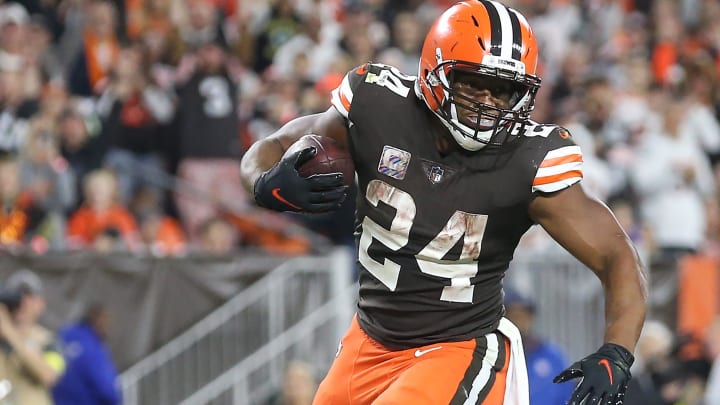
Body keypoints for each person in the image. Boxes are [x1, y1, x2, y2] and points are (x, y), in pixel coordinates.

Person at [240, 1, 647, 404]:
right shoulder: (378, 106)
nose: (489, 103)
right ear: (434, 69)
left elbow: (617, 255)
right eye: (474, 82)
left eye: (504, 90)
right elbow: (273, 145)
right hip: (369, 339)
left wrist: (617, 351)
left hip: (458, 349)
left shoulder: (529, 159)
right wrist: (264, 182)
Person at [0, 270, 65, 405]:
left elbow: (49, 375)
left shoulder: (48, 340)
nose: (22, 302)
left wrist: (11, 333)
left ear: (41, 303)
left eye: (28, 296)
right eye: (17, 295)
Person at [503, 289, 573, 405]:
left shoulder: (552, 357)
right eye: (514, 315)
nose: (519, 321)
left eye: (523, 315)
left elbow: (566, 396)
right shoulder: (495, 356)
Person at [52, 303, 121, 405]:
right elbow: (108, 392)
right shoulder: (94, 349)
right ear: (98, 321)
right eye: (106, 322)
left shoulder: (64, 334)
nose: (108, 327)